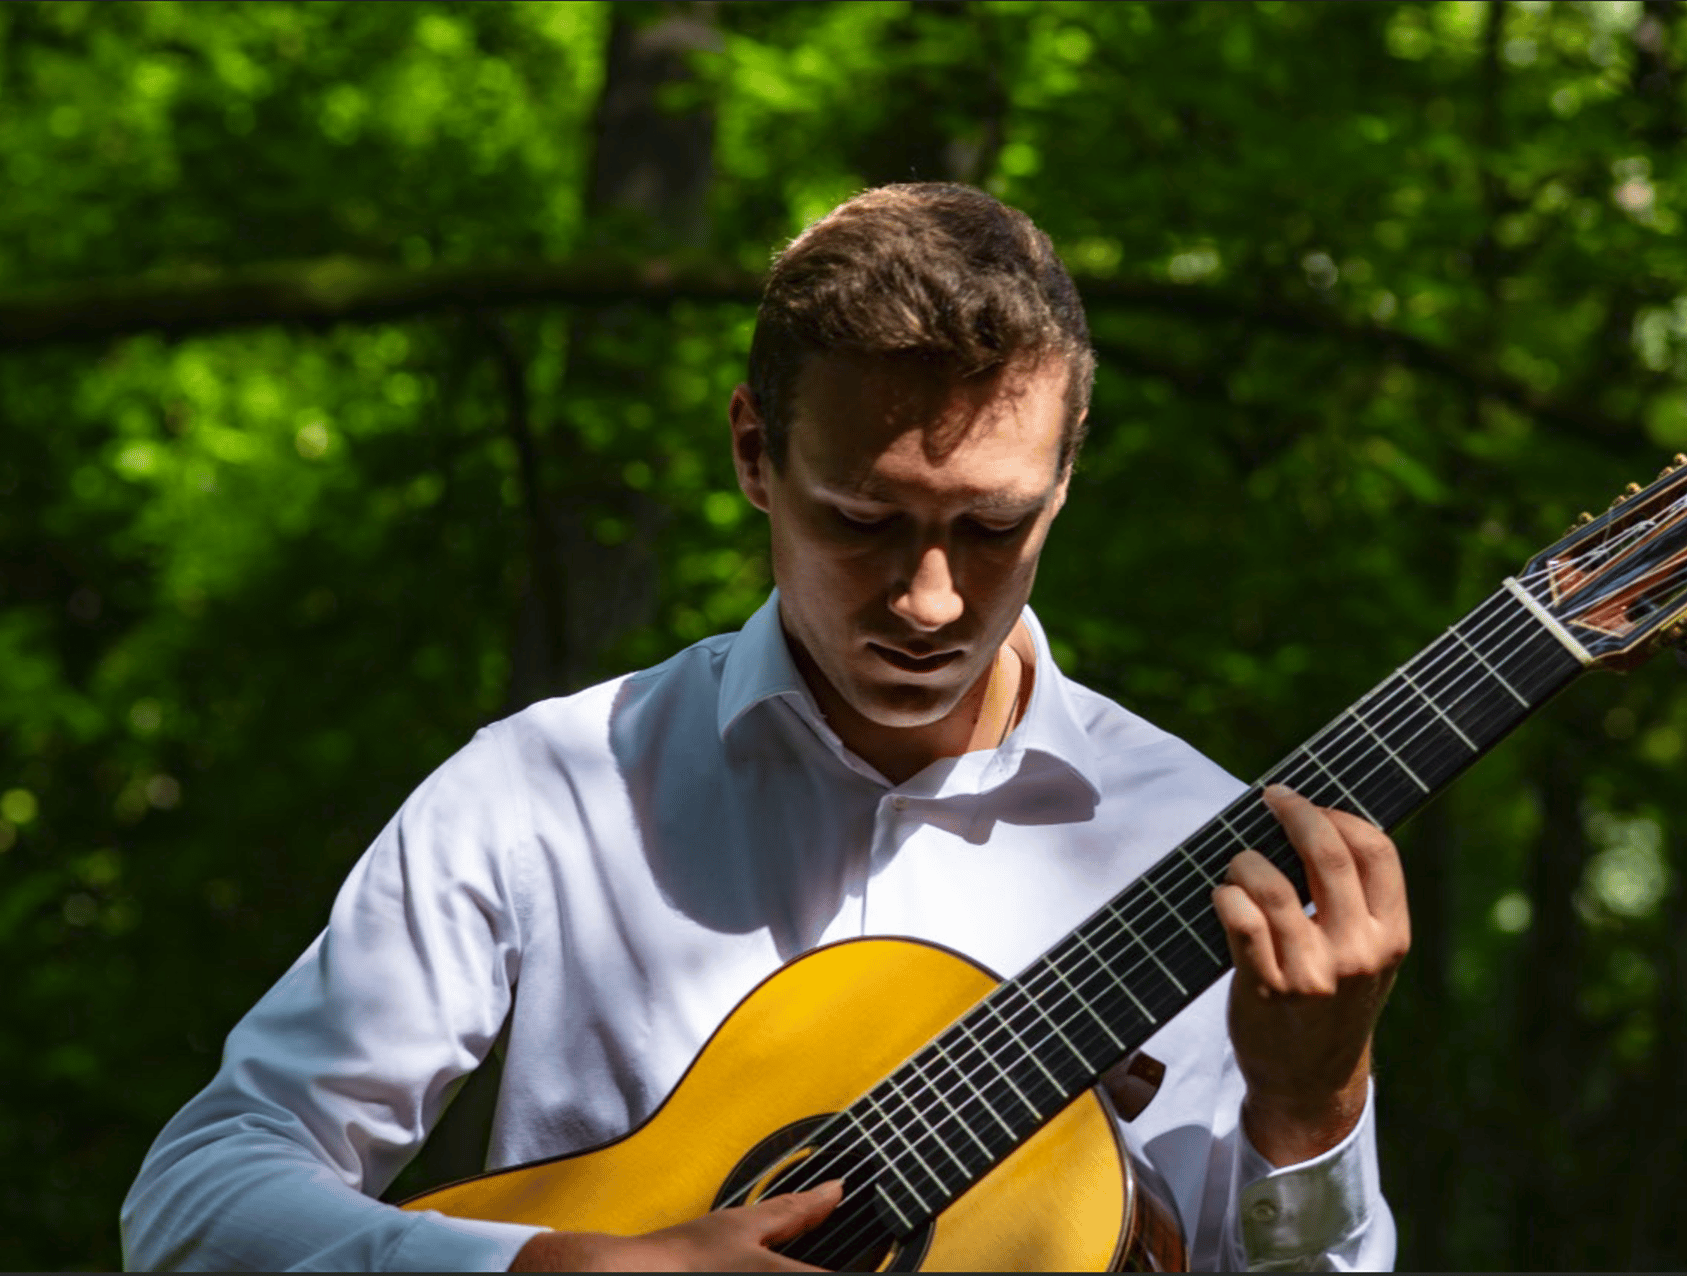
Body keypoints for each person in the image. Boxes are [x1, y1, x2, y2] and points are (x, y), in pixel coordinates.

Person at [122, 183, 1408, 1271]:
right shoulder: (548, 791)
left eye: (993, 527)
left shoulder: (1194, 846)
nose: (928, 597)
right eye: (863, 519)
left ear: (1066, 476)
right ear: (753, 451)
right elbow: (196, 1198)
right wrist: (566, 1265)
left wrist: (1312, 1106)